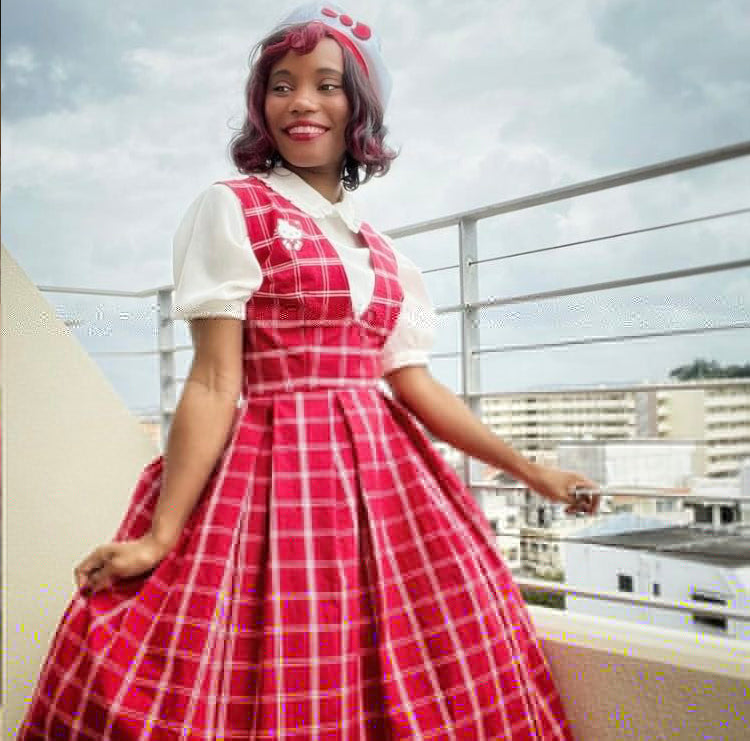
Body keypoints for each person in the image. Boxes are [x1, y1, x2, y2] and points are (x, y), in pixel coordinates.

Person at [19, 3, 600, 739]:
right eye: (281, 84)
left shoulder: (388, 257)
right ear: (261, 105)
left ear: (358, 106)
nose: (301, 102)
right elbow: (213, 380)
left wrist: (531, 469)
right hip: (269, 480)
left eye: (327, 84)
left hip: (389, 494)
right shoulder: (235, 209)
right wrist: (161, 535)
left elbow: (415, 387)